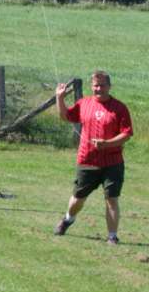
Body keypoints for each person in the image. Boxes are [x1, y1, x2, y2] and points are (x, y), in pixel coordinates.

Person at [54, 70, 134, 244]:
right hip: (87, 160)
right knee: (78, 198)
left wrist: (106, 143)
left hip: (112, 162)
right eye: (96, 85)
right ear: (92, 86)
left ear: (109, 86)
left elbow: (127, 134)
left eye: (102, 85)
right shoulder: (84, 104)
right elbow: (65, 116)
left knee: (111, 199)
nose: (99, 89)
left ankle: (112, 236)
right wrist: (59, 98)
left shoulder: (120, 108)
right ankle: (68, 219)